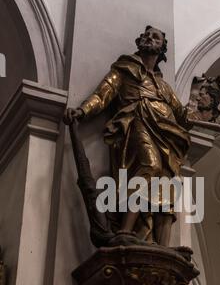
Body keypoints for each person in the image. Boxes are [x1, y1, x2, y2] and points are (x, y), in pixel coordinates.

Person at [64, 26, 193, 247]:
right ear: (139, 41)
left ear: (162, 48)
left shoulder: (163, 85)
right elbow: (102, 94)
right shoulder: (124, 70)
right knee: (149, 166)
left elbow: (182, 114)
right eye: (147, 35)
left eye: (155, 37)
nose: (149, 38)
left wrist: (200, 108)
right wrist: (83, 111)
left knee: (168, 184)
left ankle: (164, 247)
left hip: (167, 133)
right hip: (138, 122)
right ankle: (125, 228)